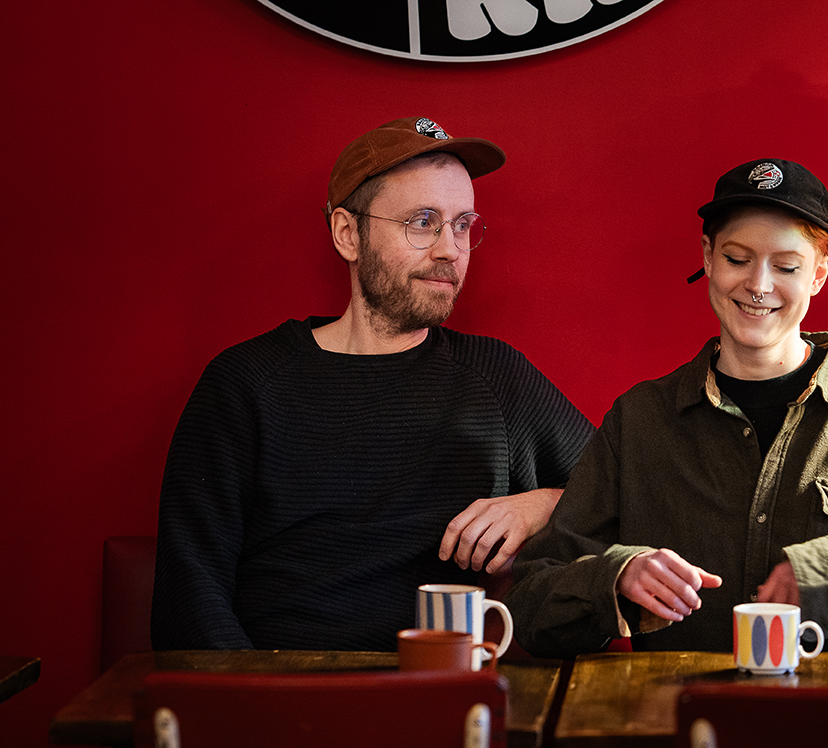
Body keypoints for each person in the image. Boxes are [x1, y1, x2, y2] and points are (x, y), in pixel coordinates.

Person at [505, 158, 828, 657]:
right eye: (737, 259)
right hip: (686, 715)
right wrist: (615, 576)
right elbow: (530, 604)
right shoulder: (639, 420)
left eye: (785, 266)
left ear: (819, 273)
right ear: (708, 257)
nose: (758, 286)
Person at [151, 117, 595, 652]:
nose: (451, 250)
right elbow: (189, 594)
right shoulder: (246, 384)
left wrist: (542, 504)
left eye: (462, 225)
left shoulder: (497, 378)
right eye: (423, 222)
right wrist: (259, 695)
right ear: (347, 234)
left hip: (443, 687)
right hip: (284, 687)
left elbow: (629, 495)